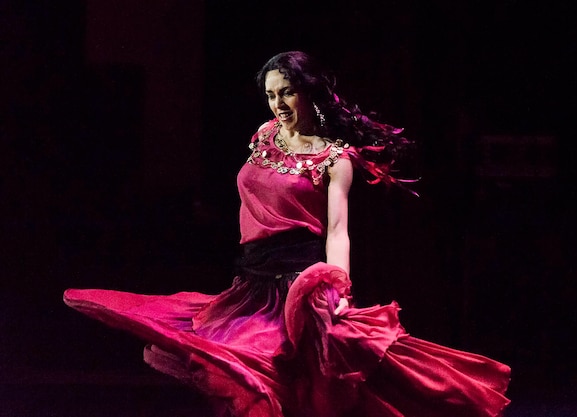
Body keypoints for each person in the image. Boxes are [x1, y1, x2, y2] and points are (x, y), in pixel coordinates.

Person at [64, 51, 511, 417]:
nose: (278, 104)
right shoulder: (264, 135)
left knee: (294, 386)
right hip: (249, 286)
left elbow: (338, 231)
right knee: (244, 377)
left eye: (287, 92)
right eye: (270, 95)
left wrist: (340, 293)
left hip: (296, 287)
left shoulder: (335, 158)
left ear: (309, 91)